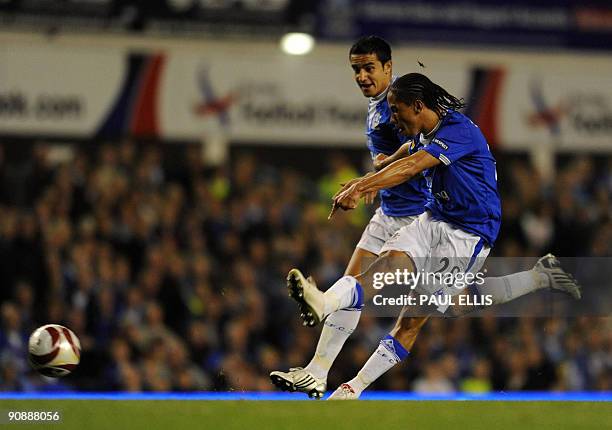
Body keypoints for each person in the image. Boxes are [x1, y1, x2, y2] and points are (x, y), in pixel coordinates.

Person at [284, 73, 581, 400]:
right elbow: (402, 156)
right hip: (433, 218)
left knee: (435, 312)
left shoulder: (459, 131)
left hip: (467, 233)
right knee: (387, 266)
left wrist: (363, 186)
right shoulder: (425, 132)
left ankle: (539, 277)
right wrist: (366, 179)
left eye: (397, 111)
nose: (394, 119)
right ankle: (324, 302)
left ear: (418, 105)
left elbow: (411, 166)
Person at [269, 36, 430, 399]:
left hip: (417, 220)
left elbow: (420, 155)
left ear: (389, 67)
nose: (361, 75)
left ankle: (340, 366)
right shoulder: (378, 105)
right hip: (389, 211)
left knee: (407, 311)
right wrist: (373, 181)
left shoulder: (400, 105)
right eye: (356, 69)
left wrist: (371, 179)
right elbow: (393, 159)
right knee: (350, 286)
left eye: (369, 67)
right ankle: (317, 372)